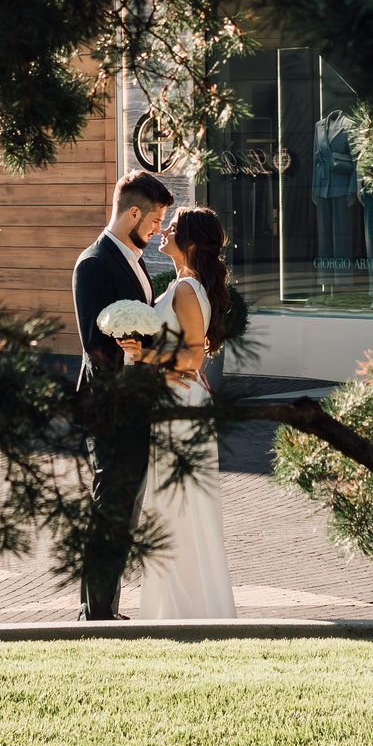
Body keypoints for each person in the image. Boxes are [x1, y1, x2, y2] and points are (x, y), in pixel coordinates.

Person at [71, 169, 174, 620]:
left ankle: (101, 607)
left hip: (136, 401)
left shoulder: (134, 260)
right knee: (112, 506)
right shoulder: (94, 263)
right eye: (154, 221)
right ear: (133, 213)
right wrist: (137, 356)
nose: (156, 230)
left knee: (126, 506)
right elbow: (95, 346)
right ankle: (96, 614)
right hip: (112, 406)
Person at [135, 204, 237, 619]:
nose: (164, 230)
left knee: (181, 505)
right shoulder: (181, 285)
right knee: (171, 505)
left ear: (191, 242)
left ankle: (190, 607)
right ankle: (173, 605)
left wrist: (143, 355)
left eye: (173, 226)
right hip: (173, 402)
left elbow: (193, 357)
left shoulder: (186, 289)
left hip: (181, 407)